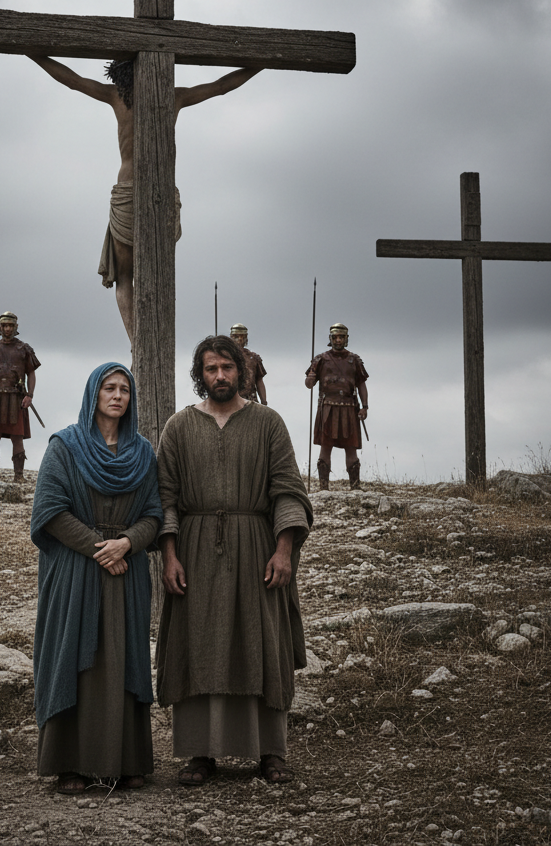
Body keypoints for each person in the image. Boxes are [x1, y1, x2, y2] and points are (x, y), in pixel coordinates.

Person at [156, 335, 313, 786]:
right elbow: (165, 498)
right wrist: (169, 556)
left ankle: (271, 752)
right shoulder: (178, 427)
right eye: (211, 369)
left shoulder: (268, 423)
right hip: (196, 549)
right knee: (198, 642)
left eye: (227, 367)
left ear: (242, 371)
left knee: (262, 643)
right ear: (199, 375)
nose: (220, 376)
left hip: (257, 548)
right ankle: (199, 754)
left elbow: (288, 490)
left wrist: (284, 551)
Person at [28, 55, 260, 344]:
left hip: (137, 192)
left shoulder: (119, 95)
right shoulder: (172, 97)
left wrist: (33, 53)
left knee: (130, 277)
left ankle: (139, 342)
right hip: (156, 193)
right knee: (151, 275)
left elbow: (72, 81)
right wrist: (261, 64)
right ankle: (142, 344)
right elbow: (222, 86)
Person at [31, 362, 163, 794]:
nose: (118, 395)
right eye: (109, 387)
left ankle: (128, 762)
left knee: (124, 660)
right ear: (94, 393)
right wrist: (98, 549)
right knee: (73, 656)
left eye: (125, 389)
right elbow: (50, 511)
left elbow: (154, 516)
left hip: (126, 569)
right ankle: (69, 764)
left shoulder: (143, 453)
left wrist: (125, 544)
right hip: (74, 570)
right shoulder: (64, 447)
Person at [0, 311, 40, 483]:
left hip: (16, 398)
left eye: (10, 325)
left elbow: (31, 374)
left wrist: (30, 395)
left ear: (16, 327)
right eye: (5, 325)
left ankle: (18, 476)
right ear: (0, 327)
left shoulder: (24, 349)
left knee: (17, 437)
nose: (8, 328)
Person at [304, 322, 369, 489]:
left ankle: (355, 487)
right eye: (335, 337)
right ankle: (323, 487)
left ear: (346, 339)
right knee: (326, 446)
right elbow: (308, 384)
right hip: (328, 408)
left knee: (351, 447)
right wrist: (310, 379)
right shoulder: (320, 359)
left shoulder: (354, 360)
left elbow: (361, 384)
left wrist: (365, 406)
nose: (338, 340)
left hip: (349, 408)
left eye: (341, 337)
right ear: (330, 338)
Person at [230, 323, 267, 404]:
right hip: (229, 400)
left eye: (242, 337)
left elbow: (259, 380)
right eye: (236, 337)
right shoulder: (225, 357)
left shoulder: (253, 358)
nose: (239, 339)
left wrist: (263, 401)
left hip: (250, 401)